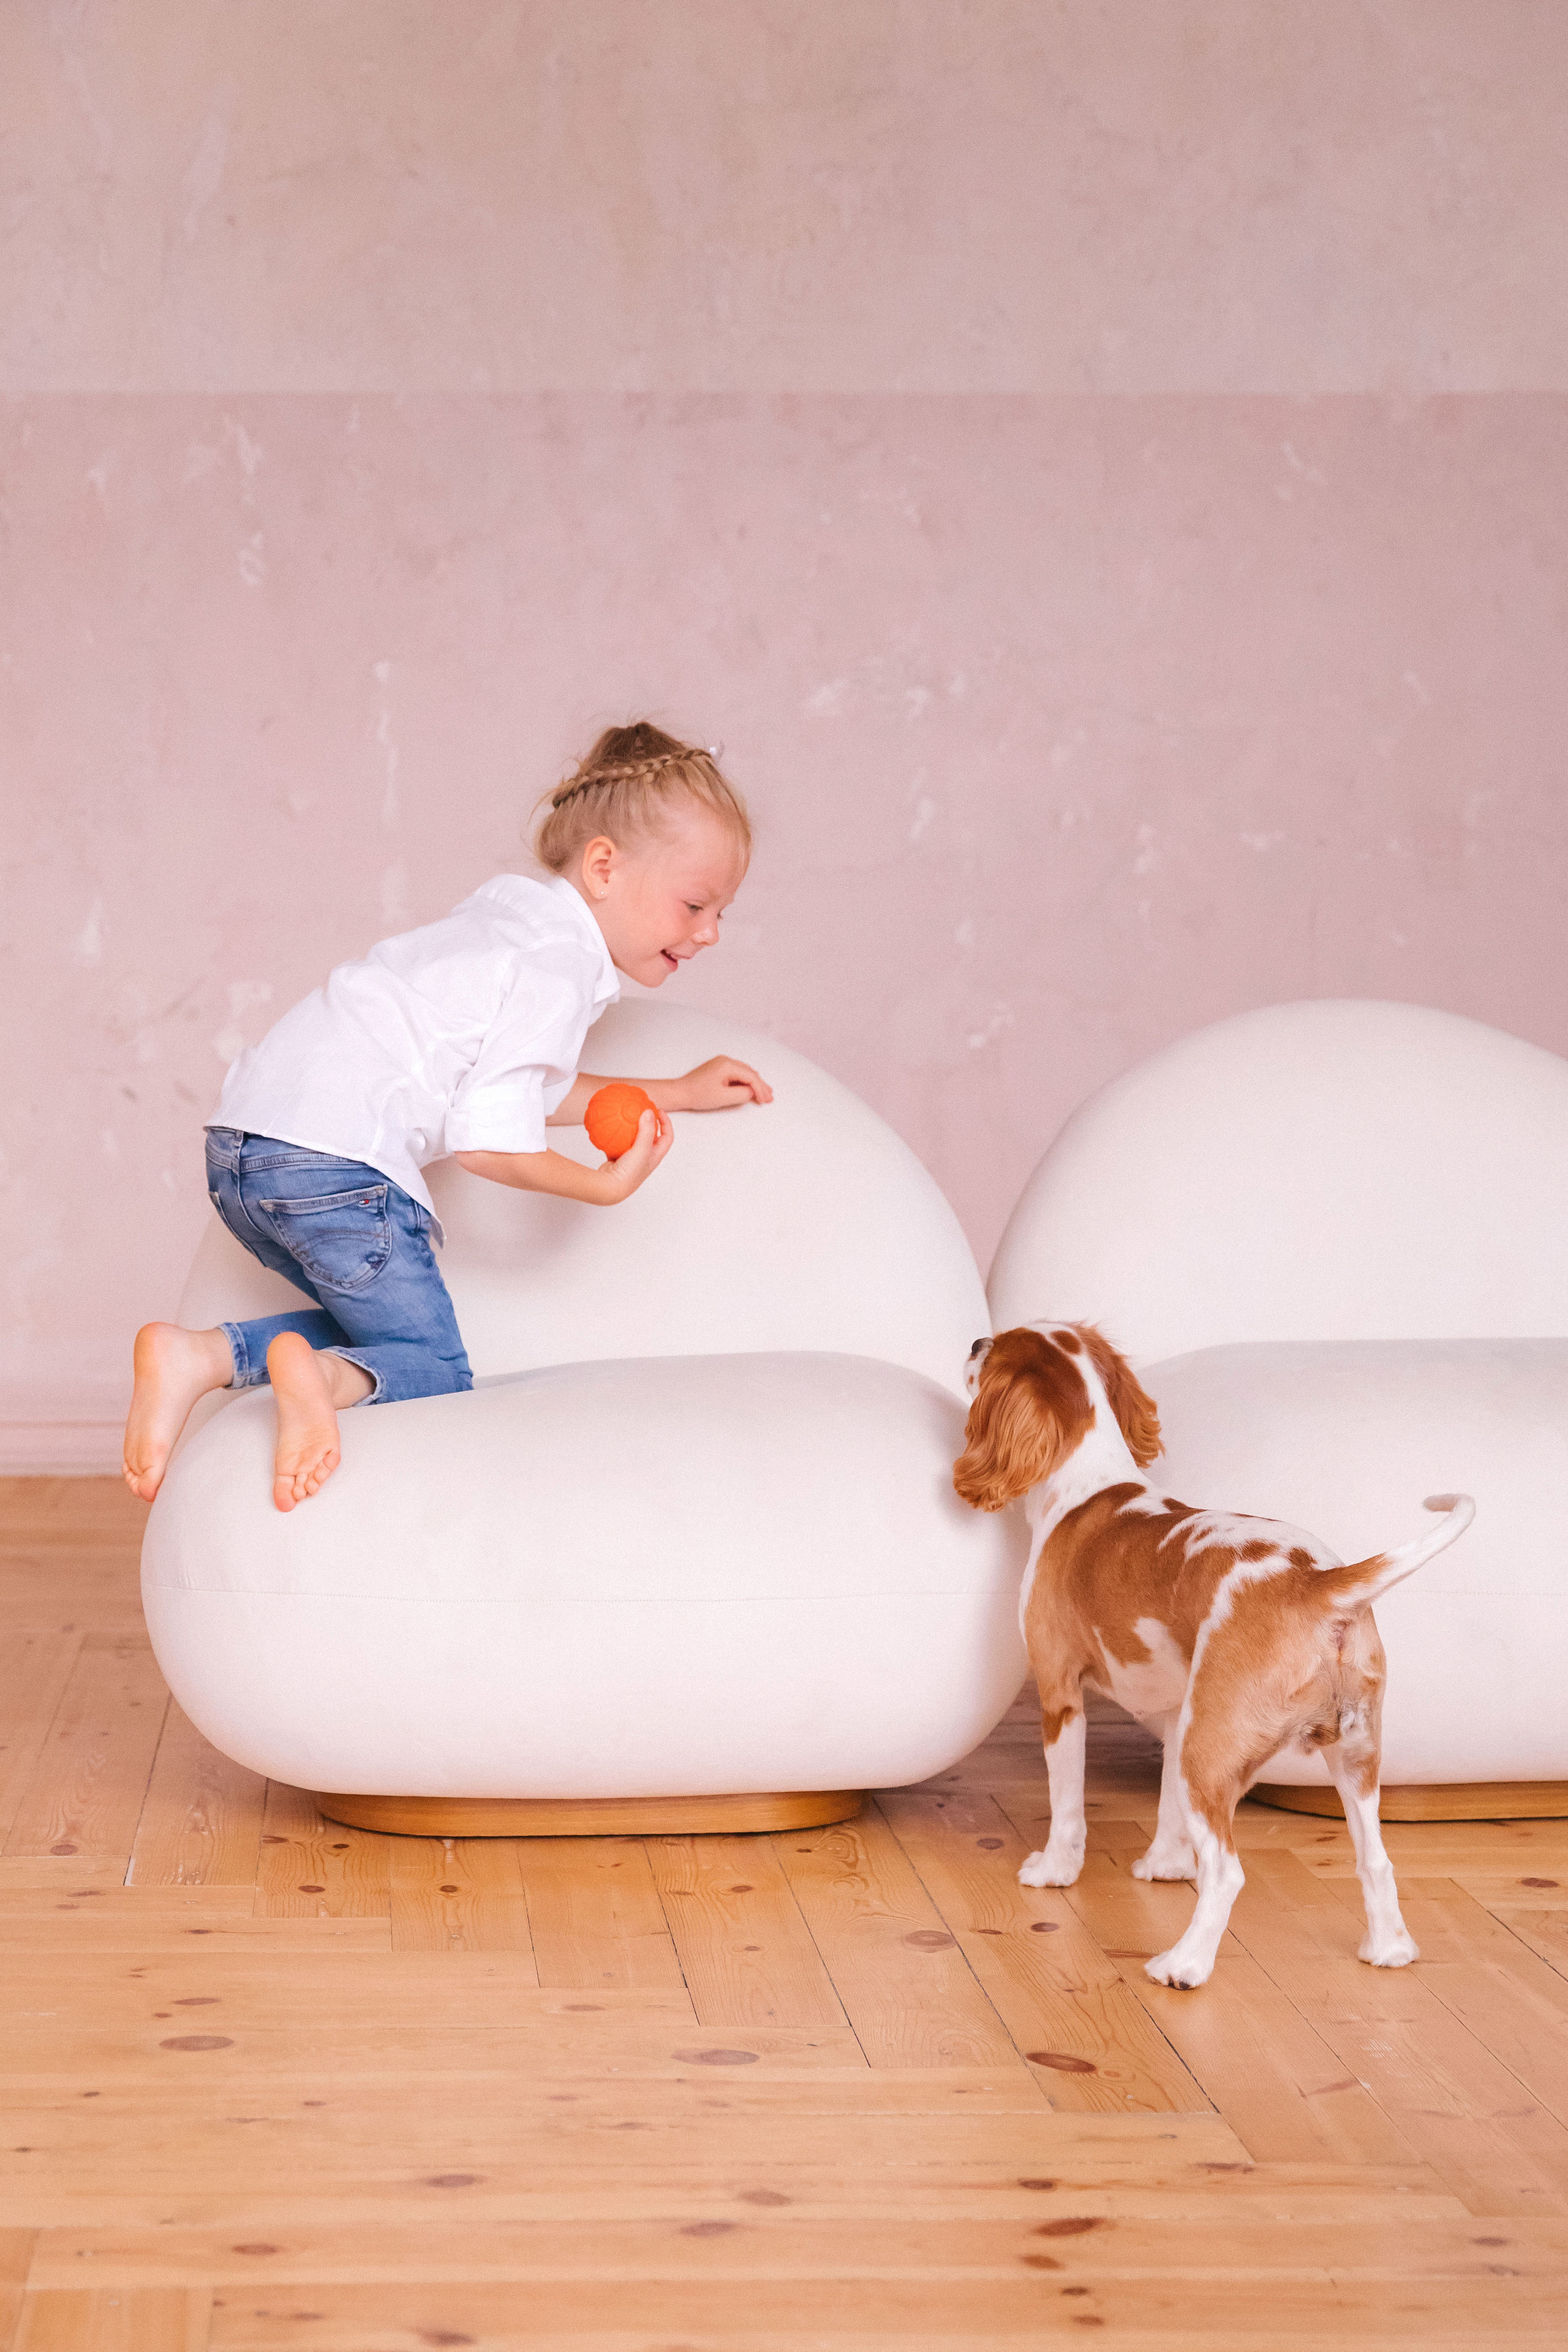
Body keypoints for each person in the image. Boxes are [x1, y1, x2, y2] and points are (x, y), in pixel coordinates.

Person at [123, 723, 770, 1513]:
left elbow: (518, 1089)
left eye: (721, 914)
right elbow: (489, 1145)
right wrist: (604, 1188)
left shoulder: (507, 922)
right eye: (696, 904)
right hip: (339, 1170)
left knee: (379, 1336)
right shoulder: (557, 967)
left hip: (248, 1152)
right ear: (605, 866)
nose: (708, 933)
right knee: (432, 1365)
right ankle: (318, 1383)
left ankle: (198, 1356)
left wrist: (678, 1090)